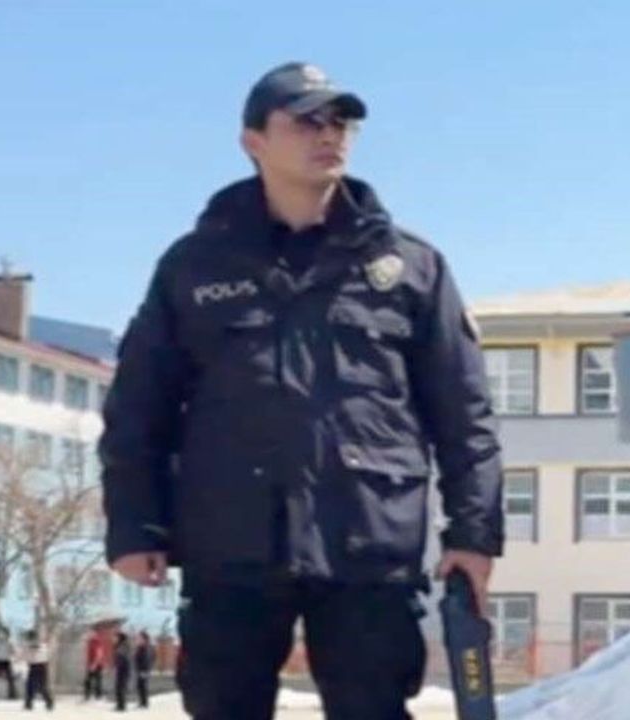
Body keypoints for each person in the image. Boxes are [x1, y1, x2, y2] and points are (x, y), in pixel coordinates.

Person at [99, 61, 503, 720]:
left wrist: (474, 535)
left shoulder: (409, 266)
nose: (330, 134)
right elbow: (138, 409)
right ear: (253, 141)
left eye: (341, 121)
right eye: (307, 121)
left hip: (368, 541)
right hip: (230, 540)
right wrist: (133, 525)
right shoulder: (194, 265)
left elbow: (464, 414)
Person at [21, 630, 54, 711]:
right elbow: (27, 655)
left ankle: (49, 702)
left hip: (40, 665)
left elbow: (36, 647)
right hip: (35, 665)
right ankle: (29, 703)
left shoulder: (37, 643)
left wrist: (30, 649)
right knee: (30, 685)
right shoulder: (31, 644)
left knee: (41, 686)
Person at [134, 631, 155, 709]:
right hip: (140, 670)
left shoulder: (147, 648)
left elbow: (148, 659)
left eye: (139, 638)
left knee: (143, 686)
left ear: (144, 639)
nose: (138, 640)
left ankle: (144, 703)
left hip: (144, 670)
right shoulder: (141, 647)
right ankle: (142, 702)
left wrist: (145, 670)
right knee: (140, 686)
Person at [83, 630, 107, 702]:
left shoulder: (97, 642)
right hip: (92, 664)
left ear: (94, 634)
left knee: (93, 680)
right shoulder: (90, 642)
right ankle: (90, 696)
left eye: (90, 633)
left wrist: (94, 665)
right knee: (91, 680)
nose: (88, 635)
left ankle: (96, 696)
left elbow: (99, 654)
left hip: (97, 665)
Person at [113, 632, 131, 713]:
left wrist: (117, 666)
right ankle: (119, 705)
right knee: (119, 687)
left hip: (123, 671)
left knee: (121, 688)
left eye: (116, 637)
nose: (114, 639)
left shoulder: (123, 647)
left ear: (120, 638)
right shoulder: (121, 646)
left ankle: (122, 706)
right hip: (122, 670)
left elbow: (122, 659)